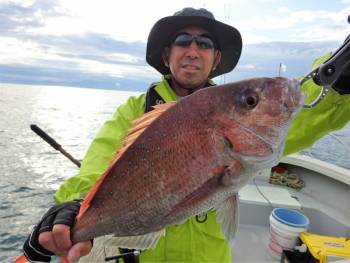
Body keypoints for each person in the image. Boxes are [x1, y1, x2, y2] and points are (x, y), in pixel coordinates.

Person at [20, 7, 350, 263]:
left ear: (215, 58)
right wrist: (71, 209)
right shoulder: (135, 111)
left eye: (204, 43)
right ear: (167, 56)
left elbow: (309, 107)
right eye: (182, 41)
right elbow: (97, 168)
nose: (193, 49)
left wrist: (341, 80)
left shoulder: (252, 124)